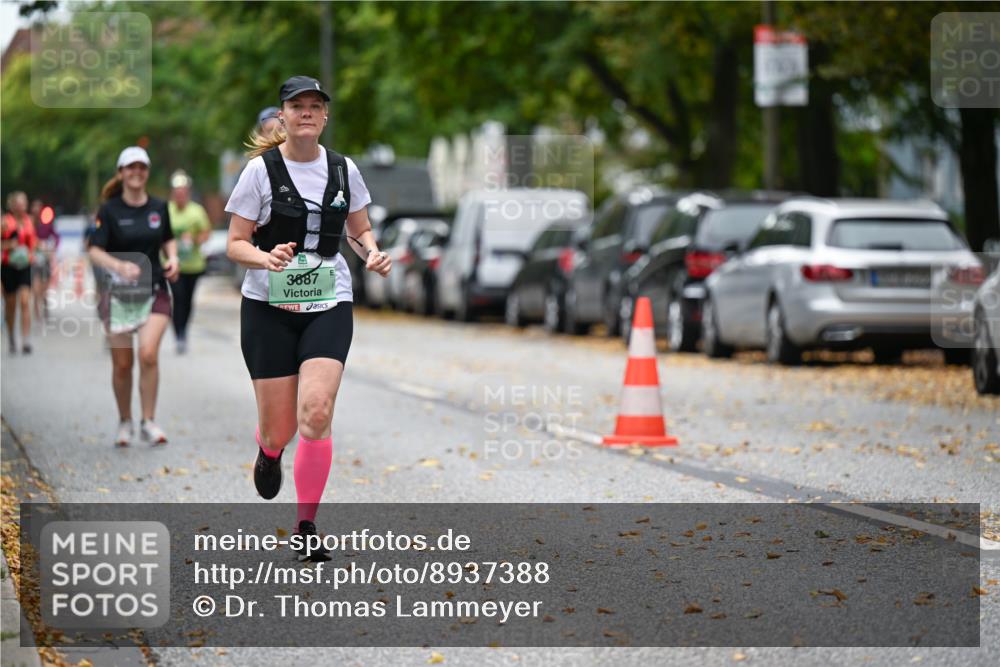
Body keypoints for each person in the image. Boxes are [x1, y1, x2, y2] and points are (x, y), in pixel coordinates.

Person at [226, 76, 390, 559]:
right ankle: (269, 448)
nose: (307, 113)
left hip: (329, 300)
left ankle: (305, 528)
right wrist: (265, 257)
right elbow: (236, 242)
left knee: (316, 412)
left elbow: (359, 232)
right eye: (297, 106)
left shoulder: (343, 170)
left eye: (316, 106)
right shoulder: (259, 172)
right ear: (283, 116)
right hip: (268, 307)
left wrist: (374, 254)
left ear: (325, 116)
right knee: (282, 428)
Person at [87, 146, 179, 446]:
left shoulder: (159, 207)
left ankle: (148, 421)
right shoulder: (109, 210)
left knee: (148, 354)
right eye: (130, 167)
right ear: (121, 173)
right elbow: (95, 250)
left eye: (142, 167)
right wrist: (119, 266)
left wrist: (173, 258)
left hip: (154, 289)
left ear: (147, 172)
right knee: (123, 364)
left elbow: (167, 239)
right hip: (120, 295)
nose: (136, 172)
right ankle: (125, 420)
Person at [167, 170, 212, 353]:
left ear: (188, 193)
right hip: (173, 264)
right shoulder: (166, 210)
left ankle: (183, 331)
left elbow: (206, 233)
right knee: (178, 298)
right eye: (177, 193)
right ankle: (178, 333)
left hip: (193, 264)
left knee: (187, 300)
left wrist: (192, 239)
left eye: (183, 192)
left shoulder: (196, 211)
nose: (180, 196)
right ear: (173, 193)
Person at [2, 191, 37, 354]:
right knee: (11, 305)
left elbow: (33, 243)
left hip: (25, 266)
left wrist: (32, 253)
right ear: (13, 205)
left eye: (25, 203)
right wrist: (10, 245)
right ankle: (11, 336)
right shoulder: (4, 222)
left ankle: (25, 340)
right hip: (9, 266)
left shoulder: (29, 221)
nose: (23, 206)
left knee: (24, 301)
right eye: (20, 203)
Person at [30, 199, 59, 322]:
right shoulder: (29, 223)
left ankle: (45, 307)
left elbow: (57, 237)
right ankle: (37, 313)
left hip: (45, 258)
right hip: (33, 259)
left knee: (45, 288)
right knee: (36, 289)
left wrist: (52, 248)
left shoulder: (46, 224)